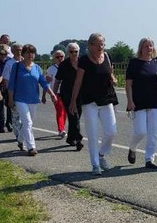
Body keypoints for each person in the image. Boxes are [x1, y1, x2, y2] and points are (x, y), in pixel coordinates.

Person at [70, 33, 118, 174]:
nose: (100, 47)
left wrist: (113, 79)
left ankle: (101, 155)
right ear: (90, 45)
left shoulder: (107, 57)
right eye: (97, 44)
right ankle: (95, 165)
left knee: (111, 131)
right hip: (89, 101)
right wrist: (73, 101)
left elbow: (110, 73)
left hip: (106, 98)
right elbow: (78, 81)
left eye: (102, 44)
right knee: (93, 134)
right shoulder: (84, 60)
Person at [126, 38, 157, 169]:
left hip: (154, 100)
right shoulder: (134, 63)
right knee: (141, 131)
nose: (149, 48)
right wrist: (130, 101)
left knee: (153, 132)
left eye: (151, 46)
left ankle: (150, 159)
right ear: (141, 49)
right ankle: (132, 148)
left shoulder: (156, 62)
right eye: (146, 46)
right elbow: (128, 84)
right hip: (138, 101)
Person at [10, 44, 55, 156]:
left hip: (33, 99)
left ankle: (20, 140)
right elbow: (11, 85)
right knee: (27, 122)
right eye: (28, 52)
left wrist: (52, 94)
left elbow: (43, 83)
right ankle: (31, 147)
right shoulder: (16, 67)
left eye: (32, 52)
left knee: (27, 124)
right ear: (23, 54)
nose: (30, 55)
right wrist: (10, 99)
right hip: (20, 99)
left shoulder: (37, 68)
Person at [54, 42, 84, 150]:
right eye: (71, 51)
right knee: (74, 116)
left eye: (76, 51)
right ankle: (79, 140)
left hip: (81, 94)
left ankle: (71, 138)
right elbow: (57, 80)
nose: (74, 53)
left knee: (76, 117)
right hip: (67, 94)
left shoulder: (83, 62)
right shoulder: (64, 64)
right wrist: (54, 94)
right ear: (68, 53)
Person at [44, 49, 67, 139]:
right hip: (56, 93)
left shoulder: (68, 67)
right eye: (57, 57)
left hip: (67, 93)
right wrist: (44, 95)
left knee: (65, 112)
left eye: (61, 57)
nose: (60, 58)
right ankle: (61, 129)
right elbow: (46, 83)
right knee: (60, 111)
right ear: (54, 59)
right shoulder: (51, 69)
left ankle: (62, 128)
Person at [0, 45, 12, 134]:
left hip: (8, 86)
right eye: (1, 54)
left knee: (9, 105)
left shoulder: (10, 61)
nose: (2, 56)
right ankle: (1, 125)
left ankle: (9, 123)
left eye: (4, 54)